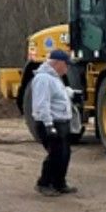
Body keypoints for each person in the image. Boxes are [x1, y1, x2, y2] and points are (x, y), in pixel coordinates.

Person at [30, 49, 77, 196]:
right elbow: (41, 103)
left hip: (61, 121)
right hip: (51, 123)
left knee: (65, 154)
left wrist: (70, 94)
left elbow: (57, 95)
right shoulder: (43, 79)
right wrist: (49, 125)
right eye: (66, 64)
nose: (67, 68)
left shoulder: (55, 78)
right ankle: (44, 183)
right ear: (57, 63)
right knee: (56, 154)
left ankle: (59, 182)